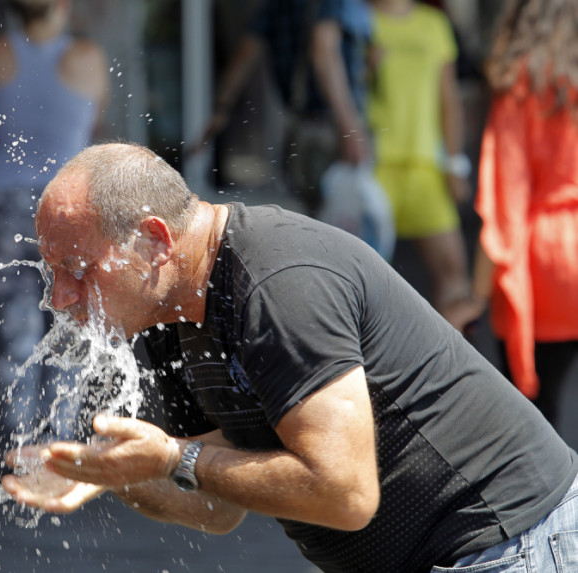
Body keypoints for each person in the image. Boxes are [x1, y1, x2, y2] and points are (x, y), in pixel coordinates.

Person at [1, 142, 578, 572]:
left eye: (77, 269)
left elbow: (344, 493)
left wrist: (173, 457)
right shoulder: (163, 319)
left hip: (510, 539)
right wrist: (116, 473)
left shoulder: (277, 283)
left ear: (154, 242)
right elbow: (217, 509)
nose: (60, 299)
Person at [0, 0, 108, 436]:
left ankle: (19, 447)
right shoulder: (89, 57)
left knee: (16, 330)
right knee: (71, 325)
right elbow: (93, 128)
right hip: (67, 205)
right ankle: (59, 447)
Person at [444, 0, 578, 428]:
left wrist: (475, 300)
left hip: (545, 265)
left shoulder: (522, 80)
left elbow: (506, 206)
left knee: (539, 418)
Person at [191, 0, 372, 212]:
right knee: (346, 220)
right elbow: (323, 50)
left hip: (300, 128)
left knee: (314, 216)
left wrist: (221, 109)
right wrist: (349, 128)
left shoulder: (276, 5)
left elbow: (245, 54)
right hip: (332, 130)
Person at [367, 0, 472, 313]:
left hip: (425, 167)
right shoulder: (358, 19)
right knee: (360, 278)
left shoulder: (433, 23)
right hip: (372, 168)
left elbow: (448, 99)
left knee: (454, 273)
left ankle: (446, 362)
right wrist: (363, 68)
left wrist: (454, 163)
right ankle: (363, 362)